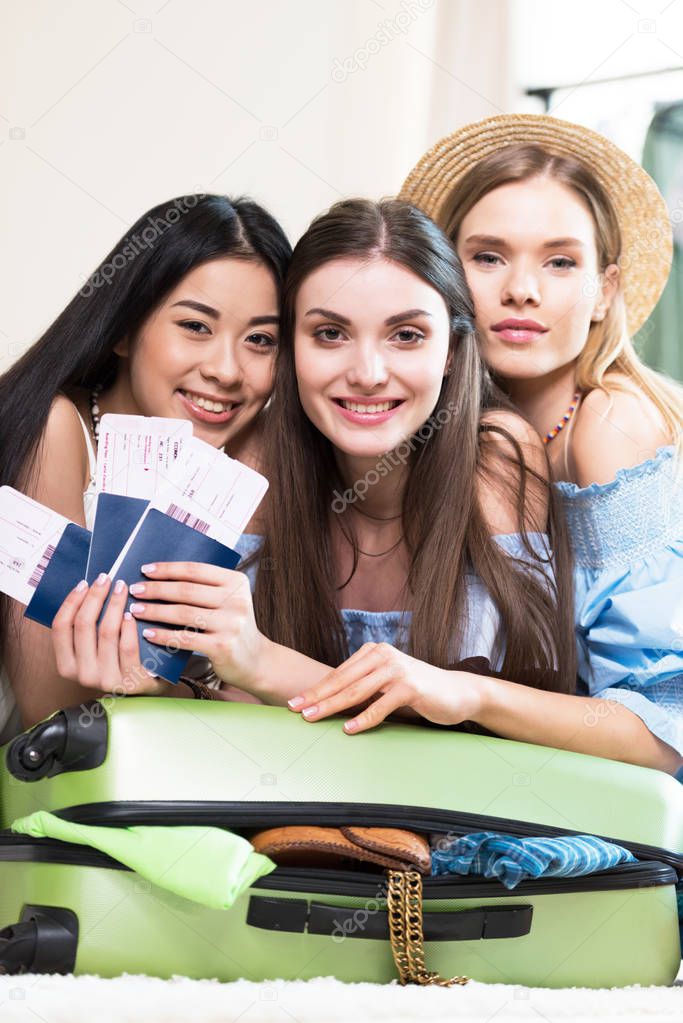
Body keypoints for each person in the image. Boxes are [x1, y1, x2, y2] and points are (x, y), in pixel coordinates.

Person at [398, 113, 683, 777]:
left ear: (602, 291)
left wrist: (471, 694)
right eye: (488, 256)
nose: (520, 289)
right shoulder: (437, 425)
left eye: (560, 262)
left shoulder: (608, 427)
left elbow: (663, 729)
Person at [0, 193, 291, 737]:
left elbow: (261, 696)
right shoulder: (57, 428)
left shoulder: (247, 465)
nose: (226, 370)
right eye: (196, 327)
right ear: (125, 330)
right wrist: (192, 692)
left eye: (260, 340)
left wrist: (179, 689)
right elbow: (51, 715)